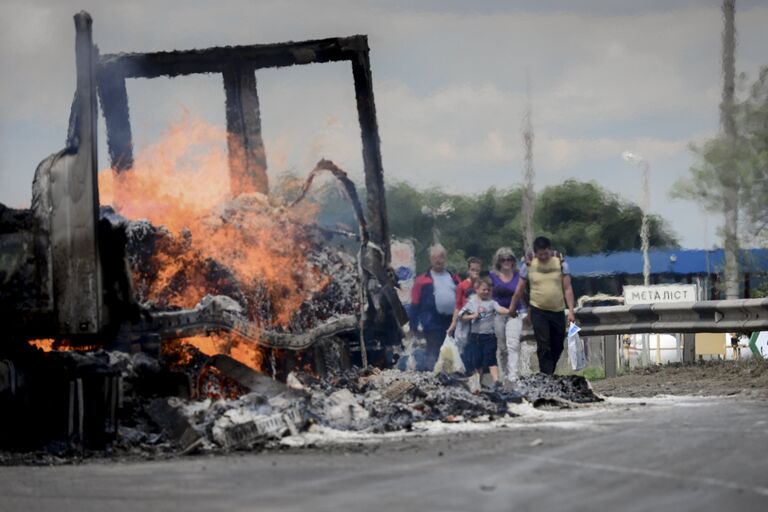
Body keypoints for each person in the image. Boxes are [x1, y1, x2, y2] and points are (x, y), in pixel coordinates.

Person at [510, 236, 576, 375]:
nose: (544, 257)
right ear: (536, 253)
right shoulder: (528, 265)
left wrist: (571, 311)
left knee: (558, 345)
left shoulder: (561, 263)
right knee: (543, 344)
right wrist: (513, 307)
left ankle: (549, 371)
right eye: (541, 255)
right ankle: (546, 375)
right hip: (538, 310)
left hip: (557, 309)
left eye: (546, 253)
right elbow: (520, 289)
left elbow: (567, 288)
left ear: (550, 250)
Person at [409, 244, 461, 369]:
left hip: (451, 322)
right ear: (431, 259)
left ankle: (450, 378)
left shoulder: (454, 278)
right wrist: (413, 326)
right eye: (435, 257)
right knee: (433, 351)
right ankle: (432, 379)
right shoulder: (422, 280)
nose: (438, 260)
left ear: (445, 259)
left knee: (451, 351)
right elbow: (415, 303)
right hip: (432, 322)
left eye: (441, 257)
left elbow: (463, 299)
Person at [459, 276, 510, 382]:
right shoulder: (471, 303)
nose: (486, 292)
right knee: (477, 361)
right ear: (476, 289)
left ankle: (496, 381)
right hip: (475, 336)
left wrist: (510, 311)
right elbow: (462, 317)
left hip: (489, 336)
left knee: (491, 360)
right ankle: (478, 383)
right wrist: (472, 316)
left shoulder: (492, 303)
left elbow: (500, 309)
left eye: (488, 290)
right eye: (484, 289)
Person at [489, 247, 526, 382]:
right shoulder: (492, 276)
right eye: (503, 259)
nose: (506, 262)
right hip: (498, 313)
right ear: (498, 261)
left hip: (515, 313)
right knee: (502, 347)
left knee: (513, 344)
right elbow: (489, 297)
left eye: (509, 259)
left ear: (512, 261)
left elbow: (524, 293)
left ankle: (513, 376)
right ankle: (504, 375)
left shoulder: (518, 275)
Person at [446, 257, 482, 337]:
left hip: (478, 322)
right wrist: (453, 324)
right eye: (473, 270)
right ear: (468, 270)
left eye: (477, 270)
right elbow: (458, 306)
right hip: (464, 321)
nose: (475, 272)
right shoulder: (461, 286)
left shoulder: (482, 286)